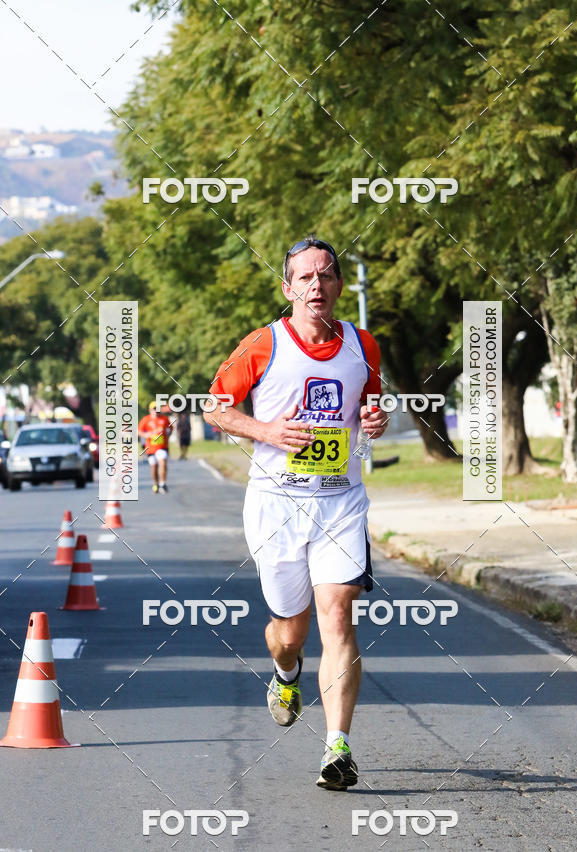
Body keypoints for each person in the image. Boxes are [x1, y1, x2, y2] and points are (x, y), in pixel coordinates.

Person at [204, 235, 387, 790]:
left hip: (340, 501)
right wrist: (264, 429)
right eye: (304, 277)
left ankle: (338, 748)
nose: (316, 285)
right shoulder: (263, 345)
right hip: (276, 504)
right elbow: (215, 406)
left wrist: (375, 420)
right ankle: (286, 672)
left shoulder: (364, 345)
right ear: (288, 288)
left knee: (337, 617)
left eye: (326, 275)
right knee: (291, 629)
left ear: (338, 285)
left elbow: (369, 403)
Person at [138, 401, 172, 493]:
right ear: (150, 410)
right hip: (150, 448)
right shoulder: (146, 420)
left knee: (163, 462)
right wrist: (146, 435)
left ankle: (163, 484)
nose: (155, 411)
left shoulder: (165, 419)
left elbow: (170, 429)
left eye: (157, 409)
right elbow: (139, 431)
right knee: (154, 466)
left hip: (162, 446)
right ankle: (155, 483)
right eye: (154, 409)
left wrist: (167, 436)